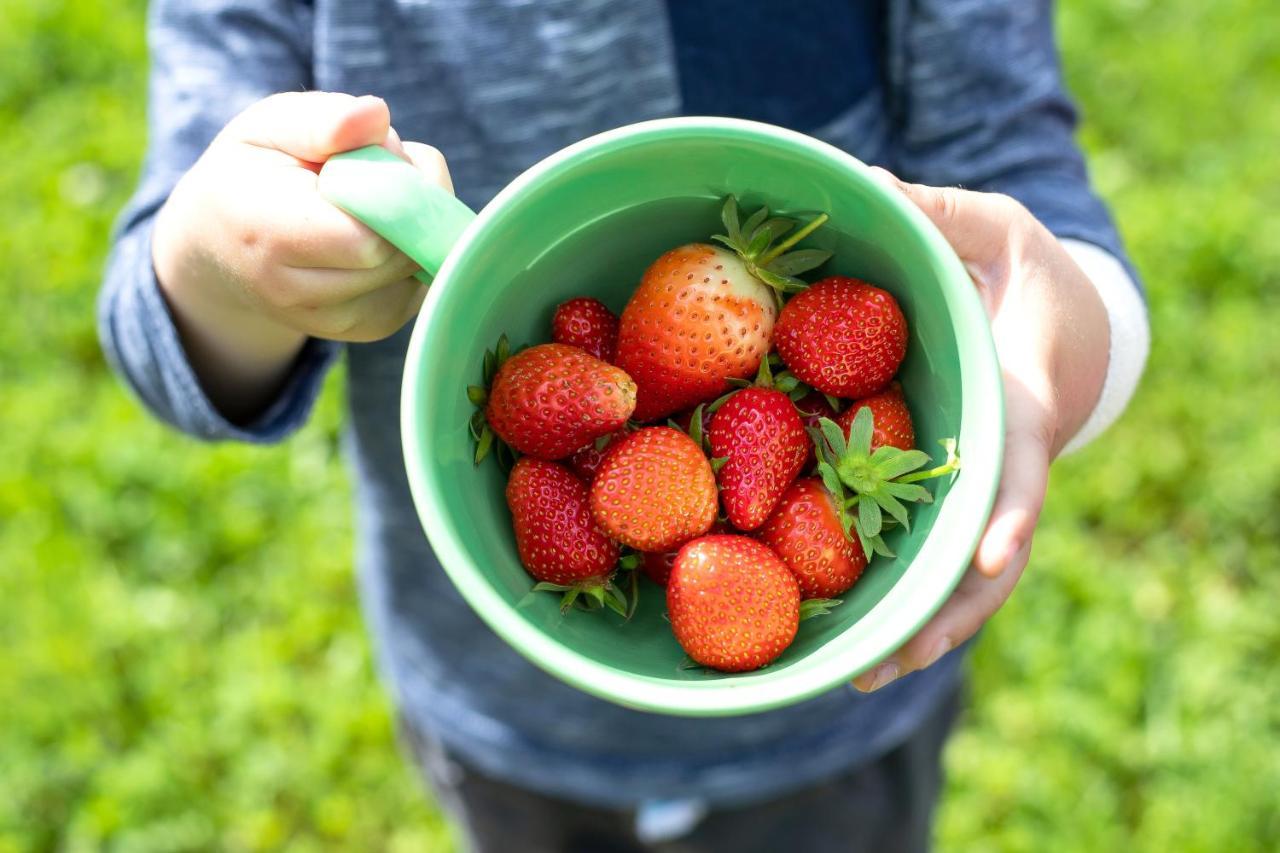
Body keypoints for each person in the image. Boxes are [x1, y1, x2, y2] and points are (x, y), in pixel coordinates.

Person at [99, 2, 1150, 850]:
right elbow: (156, 333)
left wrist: (1051, 361)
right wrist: (219, 269)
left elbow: (1025, 185)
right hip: (501, 714)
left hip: (833, 729)